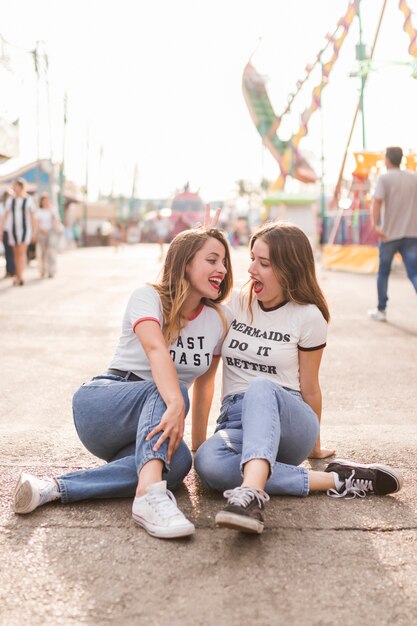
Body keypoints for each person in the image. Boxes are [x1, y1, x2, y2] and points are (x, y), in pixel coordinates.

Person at [13, 227, 233, 540]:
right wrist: (175, 402)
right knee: (171, 389)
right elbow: (156, 351)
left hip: (152, 425)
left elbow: (206, 385)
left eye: (224, 262)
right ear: (185, 263)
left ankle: (51, 488)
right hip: (104, 405)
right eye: (212, 260)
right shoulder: (147, 297)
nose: (222, 270)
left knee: (180, 461)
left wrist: (197, 447)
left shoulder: (218, 319)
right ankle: (148, 497)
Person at [194, 222, 403, 535]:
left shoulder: (308, 316)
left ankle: (250, 495)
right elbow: (206, 380)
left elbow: (310, 387)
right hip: (236, 424)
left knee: (261, 387)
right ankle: (339, 480)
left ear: (288, 269)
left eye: (263, 263)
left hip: (289, 420)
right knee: (209, 465)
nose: (251, 269)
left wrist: (314, 449)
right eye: (252, 259)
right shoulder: (232, 306)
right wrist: (198, 444)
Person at [368, 146, 417, 321]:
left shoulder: (384, 178)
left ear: (387, 159)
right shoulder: (413, 177)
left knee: (383, 272)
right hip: (412, 234)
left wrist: (374, 225)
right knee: (414, 273)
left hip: (388, 235)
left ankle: (381, 310)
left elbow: (377, 202)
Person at [0, 178, 37, 286]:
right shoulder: (10, 200)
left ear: (21, 187)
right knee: (15, 253)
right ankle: (17, 274)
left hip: (25, 229)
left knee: (21, 252)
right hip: (13, 229)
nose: (14, 188)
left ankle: (20, 276)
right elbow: (5, 216)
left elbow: (32, 217)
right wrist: (1, 229)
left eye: (16, 186)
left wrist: (34, 232)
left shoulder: (28, 200)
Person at [36, 192, 61, 279]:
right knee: (42, 252)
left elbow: (56, 221)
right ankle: (43, 270)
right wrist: (40, 230)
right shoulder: (39, 211)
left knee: (51, 252)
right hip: (42, 233)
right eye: (44, 201)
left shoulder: (53, 210)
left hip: (51, 232)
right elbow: (37, 222)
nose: (45, 202)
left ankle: (51, 270)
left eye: (47, 200)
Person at [0, 190, 16, 278]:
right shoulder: (1, 207)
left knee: (14, 251)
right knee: (8, 251)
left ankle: (14, 270)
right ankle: (9, 270)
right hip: (5, 231)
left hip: (14, 231)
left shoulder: (14, 206)